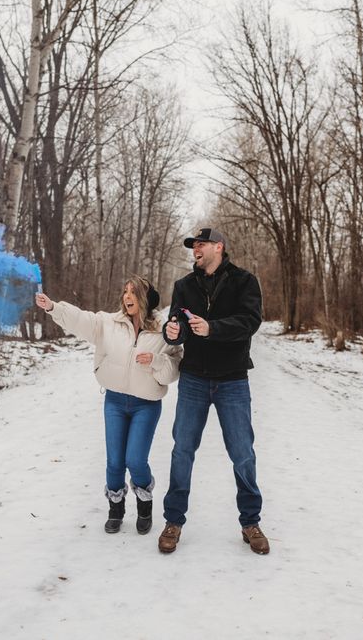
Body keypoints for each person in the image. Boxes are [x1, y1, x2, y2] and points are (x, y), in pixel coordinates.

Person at [36, 276, 181, 535]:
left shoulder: (164, 331)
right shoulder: (109, 323)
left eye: (133, 292)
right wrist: (53, 308)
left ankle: (145, 504)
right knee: (114, 462)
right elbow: (82, 320)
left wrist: (157, 361)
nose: (127, 297)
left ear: (146, 298)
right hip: (114, 401)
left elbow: (173, 371)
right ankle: (116, 509)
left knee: (135, 460)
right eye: (125, 291)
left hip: (145, 405)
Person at [157, 228, 269, 555]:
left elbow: (250, 321)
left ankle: (250, 522)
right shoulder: (184, 286)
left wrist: (213, 328)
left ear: (219, 246)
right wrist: (173, 331)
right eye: (193, 246)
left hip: (233, 380)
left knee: (242, 453)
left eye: (201, 244)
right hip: (193, 379)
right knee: (182, 450)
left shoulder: (244, 281)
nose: (196, 250)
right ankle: (173, 520)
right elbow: (173, 327)